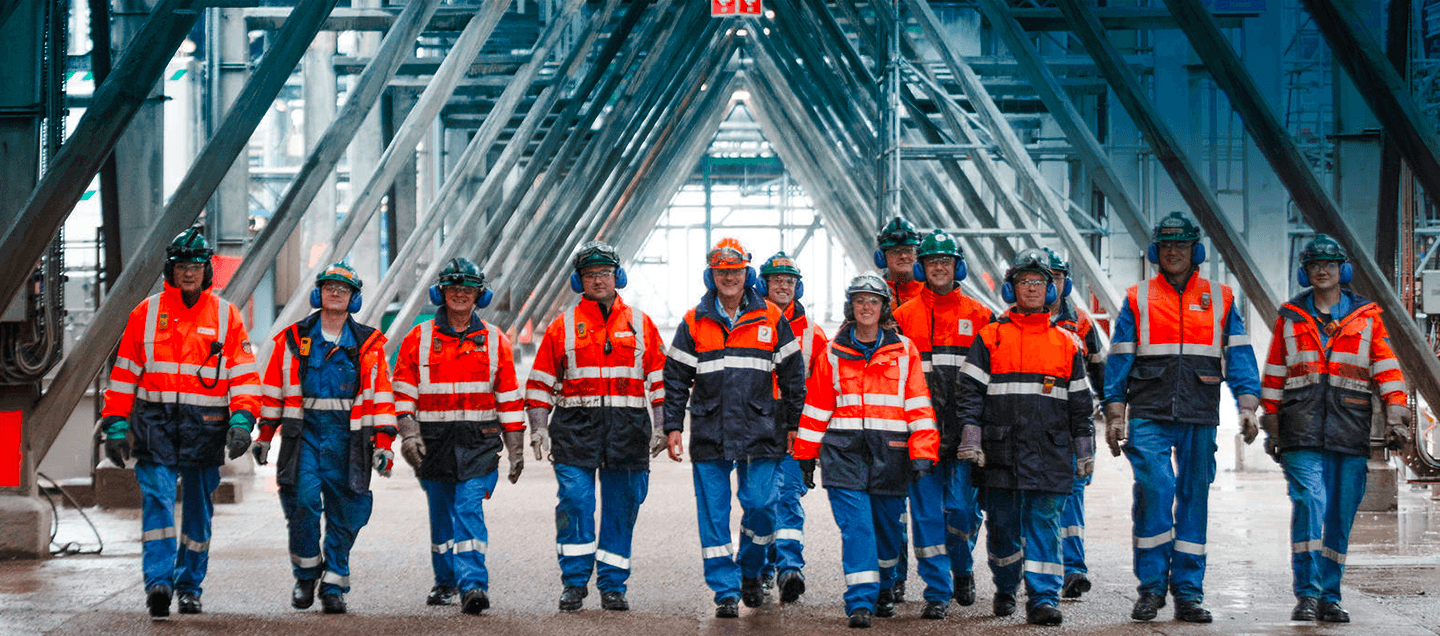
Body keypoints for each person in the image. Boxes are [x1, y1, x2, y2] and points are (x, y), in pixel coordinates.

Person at [1103, 211, 1262, 623]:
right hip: (1150, 410)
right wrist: (1115, 412)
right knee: (1156, 490)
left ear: (1196, 250)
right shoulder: (1138, 297)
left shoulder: (1222, 297)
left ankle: (1188, 594)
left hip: (1199, 409)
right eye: (1167, 245)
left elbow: (1240, 354)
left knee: (1194, 500)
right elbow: (1120, 356)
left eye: (1182, 245)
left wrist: (1247, 405)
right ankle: (1152, 589)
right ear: (1157, 251)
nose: (1173, 252)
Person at [98, 227, 261, 618]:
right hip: (155, 425)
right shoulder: (145, 314)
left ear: (207, 271)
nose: (189, 273)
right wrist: (115, 425)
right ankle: (158, 583)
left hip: (204, 427)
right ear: (171, 270)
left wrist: (242, 419)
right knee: (156, 500)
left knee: (198, 510)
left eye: (196, 266)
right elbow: (123, 377)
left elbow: (243, 376)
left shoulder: (226, 317)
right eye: (182, 266)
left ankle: (189, 586)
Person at [1259, 235, 1409, 623]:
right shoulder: (1290, 318)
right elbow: (1274, 374)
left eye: (1329, 264)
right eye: (1314, 265)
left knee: (1340, 517)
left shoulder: (1367, 319)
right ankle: (1307, 594)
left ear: (1342, 269)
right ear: (1305, 271)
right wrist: (1271, 424)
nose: (1322, 270)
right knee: (1310, 503)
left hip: (1349, 430)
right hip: (1301, 429)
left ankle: (1330, 595)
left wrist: (1396, 416)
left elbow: (1388, 370)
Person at [662, 238, 806, 618]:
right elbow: (675, 378)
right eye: (722, 272)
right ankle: (725, 590)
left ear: (747, 274)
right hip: (710, 428)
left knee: (761, 505)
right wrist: (673, 426)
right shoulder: (694, 320)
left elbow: (794, 377)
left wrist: (794, 425)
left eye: (736, 271)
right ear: (712, 275)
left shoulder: (772, 317)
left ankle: (751, 567)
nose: (729, 277)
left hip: (762, 429)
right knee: (713, 513)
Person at [524, 241, 668, 612]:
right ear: (579, 280)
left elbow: (660, 382)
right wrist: (538, 426)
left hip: (628, 432)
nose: (598, 280)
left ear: (617, 276)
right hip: (575, 430)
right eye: (590, 275)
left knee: (622, 508)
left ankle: (613, 584)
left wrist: (662, 427)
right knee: (575, 502)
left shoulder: (641, 324)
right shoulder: (563, 327)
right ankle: (573, 582)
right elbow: (540, 383)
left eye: (604, 273)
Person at [954, 248, 1094, 626]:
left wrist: (1084, 450)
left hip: (1050, 453)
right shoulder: (989, 338)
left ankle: (1043, 598)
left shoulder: (1066, 343)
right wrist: (971, 439)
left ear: (1051, 291)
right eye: (1024, 282)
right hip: (1000, 453)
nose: (1031, 288)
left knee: (1045, 525)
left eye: (1038, 282)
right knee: (1001, 526)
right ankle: (1005, 585)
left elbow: (1081, 404)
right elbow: (968, 396)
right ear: (1010, 288)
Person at [792, 273, 939, 629]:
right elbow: (817, 406)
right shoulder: (832, 354)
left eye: (873, 301)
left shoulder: (905, 351)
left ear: (883, 308)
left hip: (891, 455)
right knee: (857, 529)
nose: (866, 307)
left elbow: (918, 406)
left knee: (888, 530)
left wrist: (923, 451)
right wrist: (805, 456)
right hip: (843, 455)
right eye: (860, 301)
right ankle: (860, 601)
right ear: (851, 307)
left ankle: (886, 586)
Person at [252, 263, 397, 614]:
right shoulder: (291, 339)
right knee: (301, 503)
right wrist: (265, 435)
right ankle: (305, 575)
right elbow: (273, 392)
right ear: (318, 294)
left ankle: (334, 581)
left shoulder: (369, 344)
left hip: (350, 440)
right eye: (329, 287)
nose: (335, 293)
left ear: (354, 298)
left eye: (343, 289)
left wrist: (385, 446)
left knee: (347, 511)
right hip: (305, 438)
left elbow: (381, 397)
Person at [392, 258, 524, 615]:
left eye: (468, 288)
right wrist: (408, 434)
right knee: (441, 513)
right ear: (442, 293)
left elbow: (509, 398)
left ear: (479, 294)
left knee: (468, 508)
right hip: (433, 443)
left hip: (479, 442)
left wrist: (515, 448)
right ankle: (445, 581)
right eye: (453, 288)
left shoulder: (495, 340)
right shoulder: (418, 339)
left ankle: (473, 585)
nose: (461, 294)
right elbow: (403, 392)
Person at [892, 230, 993, 618]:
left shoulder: (980, 316)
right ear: (922, 266)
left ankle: (962, 570)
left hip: (966, 432)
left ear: (957, 267)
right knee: (927, 515)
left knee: (961, 511)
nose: (938, 267)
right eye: (932, 261)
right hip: (921, 433)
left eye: (945, 261)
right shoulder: (902, 318)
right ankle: (937, 590)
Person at [755, 251, 828, 604]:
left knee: (787, 497)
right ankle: (765, 568)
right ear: (764, 285)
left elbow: (828, 386)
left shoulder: (814, 334)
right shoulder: (750, 326)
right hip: (756, 427)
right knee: (760, 501)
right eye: (777, 281)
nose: (784, 286)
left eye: (790, 281)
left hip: (797, 429)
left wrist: (817, 437)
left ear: (798, 287)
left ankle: (789, 569)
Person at [1042, 247, 1107, 599]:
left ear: (1065, 282)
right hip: (1034, 430)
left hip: (1071, 429)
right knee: (1038, 502)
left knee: (1073, 496)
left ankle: (1074, 570)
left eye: (1056, 277)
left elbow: (1100, 375)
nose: (1050, 284)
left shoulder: (1081, 323)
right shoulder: (1010, 323)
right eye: (1043, 277)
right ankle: (1040, 568)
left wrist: (1112, 414)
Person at [874, 216, 924, 311]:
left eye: (909, 250)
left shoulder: (933, 293)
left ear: (918, 254)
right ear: (883, 257)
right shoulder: (874, 295)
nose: (903, 256)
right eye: (896, 251)